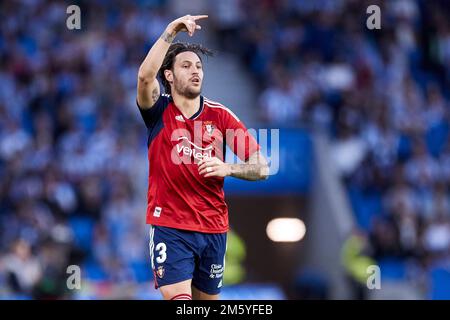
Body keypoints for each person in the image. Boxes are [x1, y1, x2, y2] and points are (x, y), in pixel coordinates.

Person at [136, 14, 269, 300]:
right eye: (186, 66)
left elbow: (262, 168)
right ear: (169, 75)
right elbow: (146, 76)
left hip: (213, 229)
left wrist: (228, 167)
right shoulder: (159, 111)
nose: (196, 71)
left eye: (198, 66)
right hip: (171, 226)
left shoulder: (220, 116)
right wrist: (170, 30)